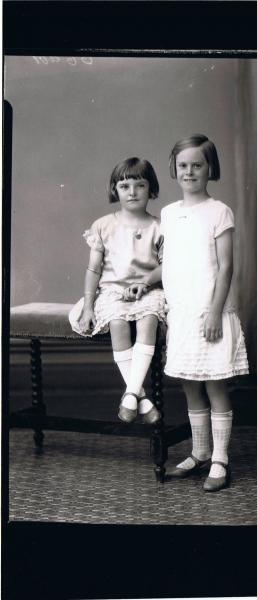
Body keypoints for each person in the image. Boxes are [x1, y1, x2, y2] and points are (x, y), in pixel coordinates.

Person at [161, 134, 249, 492]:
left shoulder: (219, 211)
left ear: (210, 168)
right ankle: (199, 451)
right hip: (181, 313)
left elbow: (225, 268)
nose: (190, 171)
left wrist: (215, 312)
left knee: (214, 384)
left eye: (197, 165)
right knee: (189, 384)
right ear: (175, 169)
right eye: (183, 165)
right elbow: (168, 262)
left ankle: (220, 459)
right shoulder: (168, 213)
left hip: (209, 311)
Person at [69, 157, 166, 425]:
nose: (132, 192)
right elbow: (94, 270)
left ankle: (131, 394)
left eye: (140, 185)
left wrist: (146, 282)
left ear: (151, 189)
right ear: (115, 190)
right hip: (112, 292)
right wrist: (89, 306)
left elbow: (166, 267)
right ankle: (141, 398)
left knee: (149, 320)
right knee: (117, 322)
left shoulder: (160, 226)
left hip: (149, 290)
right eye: (124, 186)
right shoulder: (104, 225)